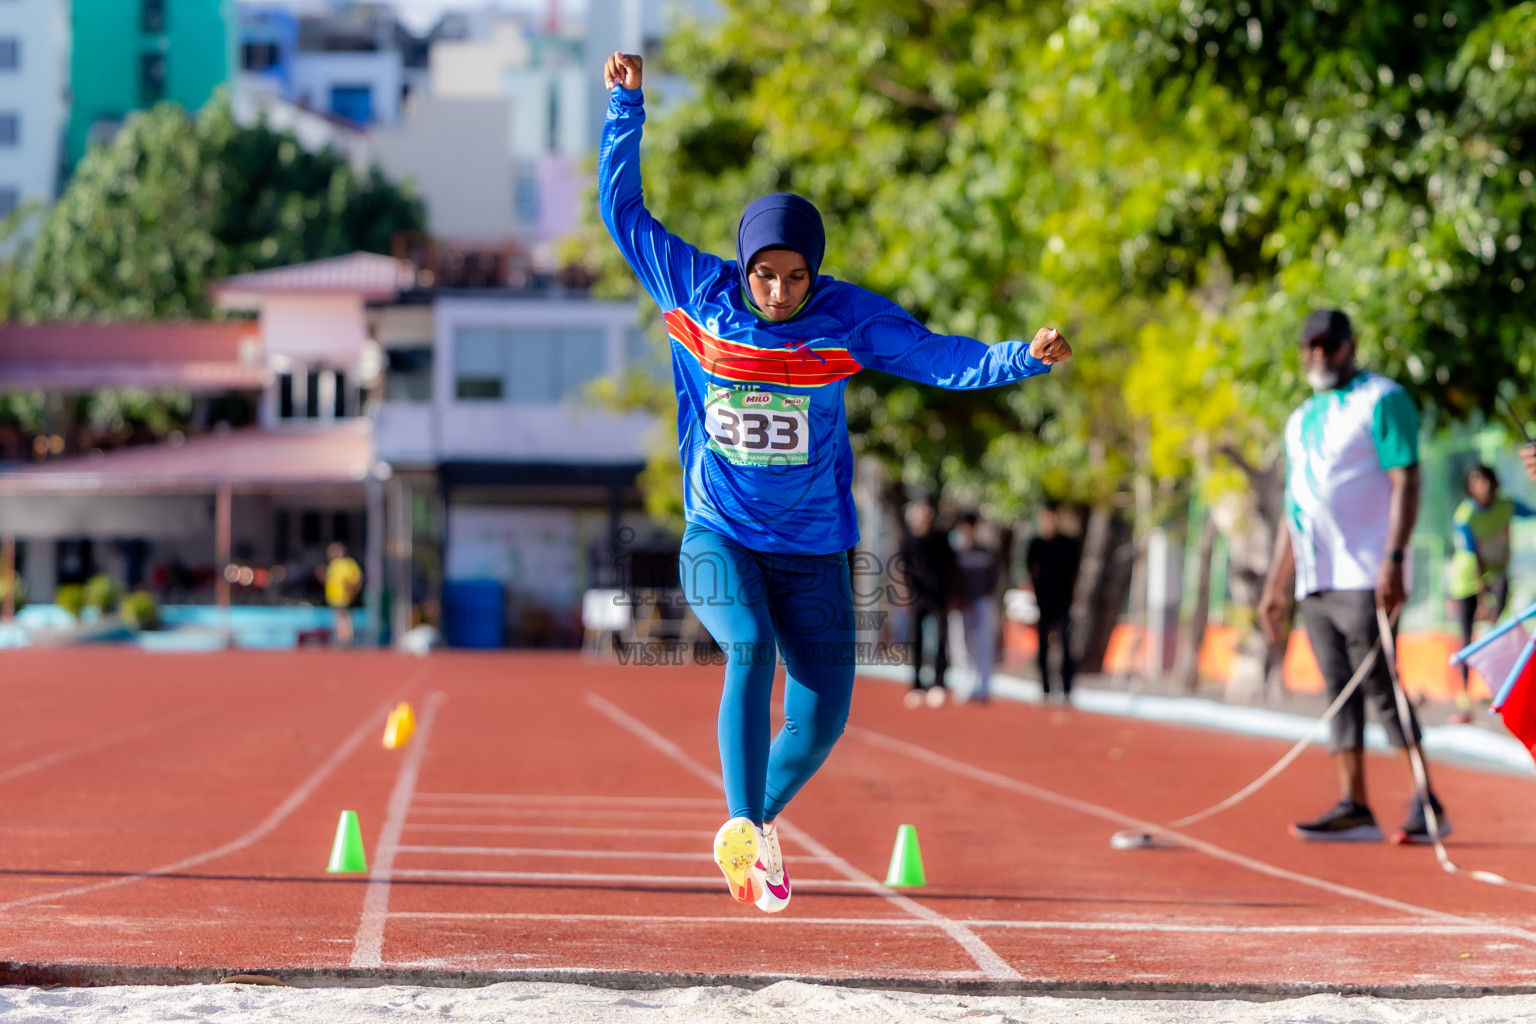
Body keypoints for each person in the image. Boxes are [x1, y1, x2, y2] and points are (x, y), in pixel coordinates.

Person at [599, 52, 1072, 913]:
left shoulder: (848, 321)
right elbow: (623, 212)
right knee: (749, 648)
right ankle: (742, 822)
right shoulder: (696, 294)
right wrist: (626, 106)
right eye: (764, 274)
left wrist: (1021, 359)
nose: (777, 291)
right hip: (720, 534)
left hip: (815, 548)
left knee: (820, 723)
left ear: (815, 274)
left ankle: (758, 824)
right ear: (742, 266)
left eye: (794, 277)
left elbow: (940, 359)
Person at [1257, 309, 1449, 845]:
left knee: (1381, 687)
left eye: (1330, 344)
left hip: (1366, 572)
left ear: (1349, 346)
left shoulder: (1382, 399)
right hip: (1315, 579)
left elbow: (1406, 476)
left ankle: (1426, 799)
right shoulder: (1300, 419)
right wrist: (1276, 585)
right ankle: (1355, 804)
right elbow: (1295, 507)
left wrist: (1393, 557)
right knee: (1337, 689)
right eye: (1311, 345)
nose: (1320, 354)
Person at [1447, 465, 1533, 723]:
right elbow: (1472, 560)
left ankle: (1494, 625)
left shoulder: (1506, 505)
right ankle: (1464, 702)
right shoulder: (1466, 516)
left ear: (1494, 482)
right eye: (1475, 483)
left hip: (1497, 573)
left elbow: (1530, 512)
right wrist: (1482, 600)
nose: (1481, 487)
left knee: (1502, 585)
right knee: (1465, 638)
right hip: (1468, 580)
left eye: (1485, 481)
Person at [898, 497, 956, 709]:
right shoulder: (907, 538)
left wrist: (952, 595)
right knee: (916, 640)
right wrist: (905, 595)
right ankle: (917, 686)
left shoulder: (941, 537)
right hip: (917, 598)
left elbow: (952, 567)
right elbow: (902, 567)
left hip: (939, 596)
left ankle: (939, 683)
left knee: (941, 638)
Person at [1026, 500, 1079, 702]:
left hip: (1063, 601)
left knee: (1066, 643)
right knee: (1042, 645)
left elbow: (1075, 571)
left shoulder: (1068, 543)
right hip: (1043, 602)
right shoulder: (1036, 543)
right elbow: (1030, 569)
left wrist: (1072, 594)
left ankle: (1066, 690)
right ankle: (1045, 689)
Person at [953, 512, 1001, 704]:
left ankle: (984, 687)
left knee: (984, 644)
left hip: (982, 603)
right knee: (961, 645)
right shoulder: (956, 554)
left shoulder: (987, 553)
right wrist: (959, 600)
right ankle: (963, 685)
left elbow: (995, 580)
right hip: (961, 604)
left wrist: (983, 598)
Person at [323, 543, 363, 646]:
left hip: (344, 596)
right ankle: (341, 636)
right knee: (338, 617)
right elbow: (330, 579)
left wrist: (352, 589)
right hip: (334, 596)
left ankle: (346, 638)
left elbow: (356, 579)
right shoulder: (333, 564)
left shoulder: (348, 564)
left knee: (343, 617)